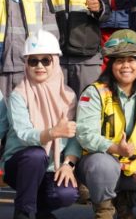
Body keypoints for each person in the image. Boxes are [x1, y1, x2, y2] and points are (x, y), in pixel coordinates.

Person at [75, 29, 136, 219]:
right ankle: (104, 210)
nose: (126, 65)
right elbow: (85, 134)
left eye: (131, 60)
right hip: (100, 163)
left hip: (135, 165)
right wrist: (115, 148)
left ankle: (123, 201)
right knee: (103, 166)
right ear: (111, 65)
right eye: (119, 60)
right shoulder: (95, 92)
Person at [2, 30, 79, 219]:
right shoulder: (18, 95)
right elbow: (24, 134)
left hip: (53, 166)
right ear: (26, 64)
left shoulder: (69, 96)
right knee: (35, 155)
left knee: (67, 194)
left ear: (55, 62)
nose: (39, 66)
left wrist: (68, 164)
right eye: (33, 61)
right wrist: (52, 132)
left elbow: (74, 137)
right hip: (21, 165)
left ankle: (41, 212)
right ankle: (24, 212)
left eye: (46, 60)